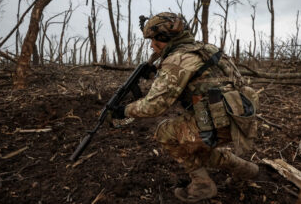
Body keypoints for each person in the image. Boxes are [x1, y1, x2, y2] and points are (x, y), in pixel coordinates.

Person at [111, 12, 259, 203]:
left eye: (153, 40)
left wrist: (123, 111)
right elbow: (236, 82)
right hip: (241, 120)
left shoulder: (177, 60)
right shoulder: (207, 49)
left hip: (216, 124)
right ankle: (246, 169)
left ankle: (202, 185)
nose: (151, 45)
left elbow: (154, 107)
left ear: (164, 38)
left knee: (165, 132)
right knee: (196, 147)